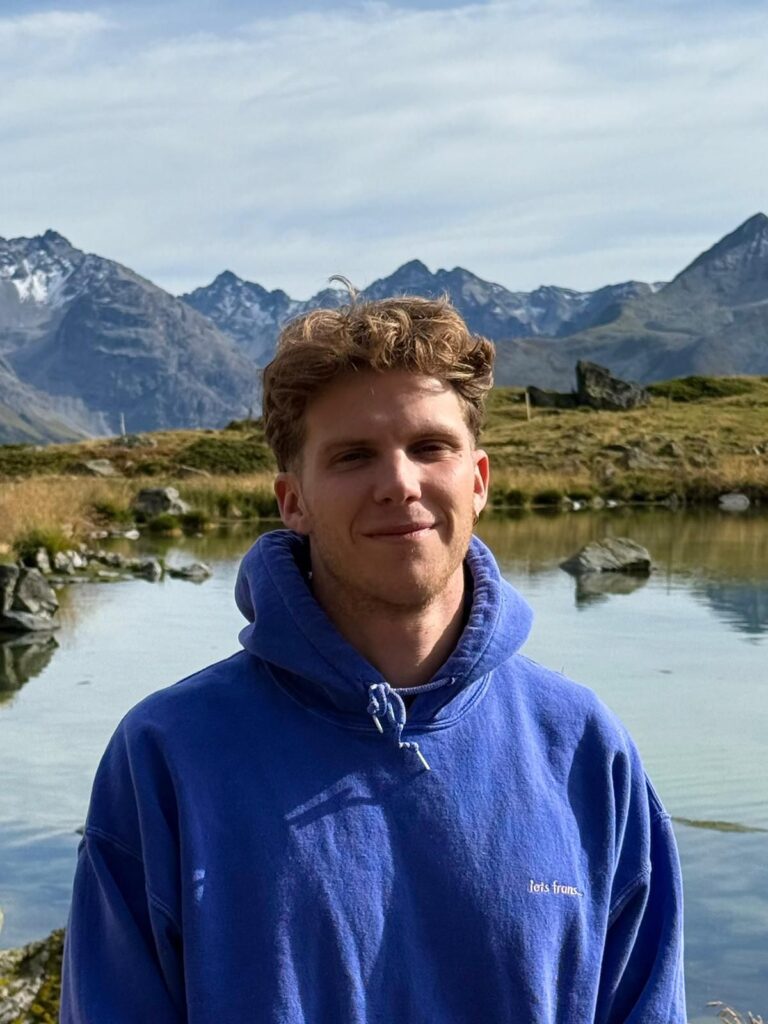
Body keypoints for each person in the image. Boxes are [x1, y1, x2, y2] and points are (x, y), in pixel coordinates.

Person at [61, 293, 686, 1023]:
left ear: (478, 480)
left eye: (431, 447)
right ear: (293, 501)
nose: (399, 483)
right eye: (354, 456)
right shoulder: (166, 756)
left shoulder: (584, 748)